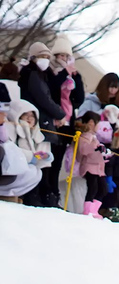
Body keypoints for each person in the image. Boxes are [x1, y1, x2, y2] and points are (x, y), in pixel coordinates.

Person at [18, 42, 67, 206]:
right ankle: (35, 196)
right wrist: (60, 113)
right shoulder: (32, 75)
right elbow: (44, 99)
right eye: (42, 57)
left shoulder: (40, 76)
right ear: (33, 58)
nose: (45, 60)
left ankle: (41, 195)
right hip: (38, 125)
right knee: (39, 160)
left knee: (44, 160)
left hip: (43, 123)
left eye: (47, 57)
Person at [48, 36, 84, 207]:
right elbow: (53, 88)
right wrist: (64, 73)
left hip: (68, 122)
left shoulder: (72, 73)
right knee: (50, 159)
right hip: (54, 120)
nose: (63, 59)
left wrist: (75, 78)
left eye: (66, 56)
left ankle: (54, 194)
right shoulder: (51, 71)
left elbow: (79, 97)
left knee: (59, 161)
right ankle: (49, 192)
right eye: (60, 55)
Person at [75, 112, 108, 218]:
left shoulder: (94, 137)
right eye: (97, 123)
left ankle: (94, 210)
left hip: (98, 168)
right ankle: (87, 210)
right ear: (91, 123)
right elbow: (83, 150)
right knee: (92, 188)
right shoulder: (84, 137)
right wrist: (95, 148)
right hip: (89, 167)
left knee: (102, 188)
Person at [9, 100, 54, 177]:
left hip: (31, 172)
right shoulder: (12, 131)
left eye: (32, 116)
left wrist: (45, 156)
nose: (29, 118)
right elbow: (12, 152)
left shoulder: (36, 135)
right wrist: (32, 157)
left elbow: (39, 158)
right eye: (25, 114)